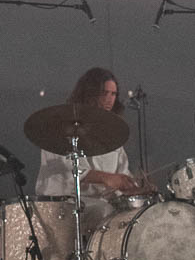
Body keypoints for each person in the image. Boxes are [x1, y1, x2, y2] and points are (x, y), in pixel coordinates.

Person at [35, 67, 140, 235]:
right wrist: (106, 178)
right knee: (105, 211)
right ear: (89, 94)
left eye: (113, 94)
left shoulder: (113, 134)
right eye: (104, 93)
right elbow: (70, 170)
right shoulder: (63, 128)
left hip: (100, 204)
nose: (109, 99)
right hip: (63, 204)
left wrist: (135, 188)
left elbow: (121, 175)